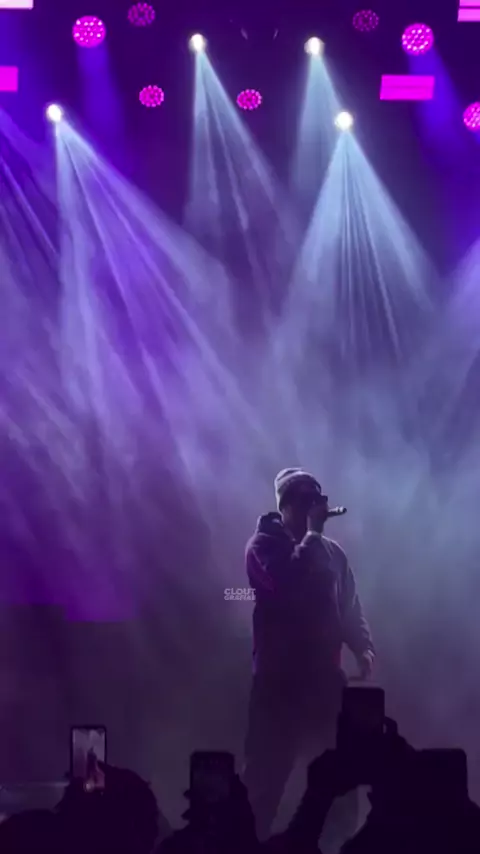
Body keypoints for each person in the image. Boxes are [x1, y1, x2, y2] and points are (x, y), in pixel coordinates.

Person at [243, 468, 375, 843]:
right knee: (264, 781)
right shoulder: (262, 546)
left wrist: (362, 646)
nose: (313, 507)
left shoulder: (333, 554)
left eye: (316, 499)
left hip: (324, 684)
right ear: (284, 505)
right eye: (304, 500)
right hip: (278, 685)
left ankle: (337, 845)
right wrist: (314, 535)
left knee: (338, 778)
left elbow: (349, 606)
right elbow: (289, 584)